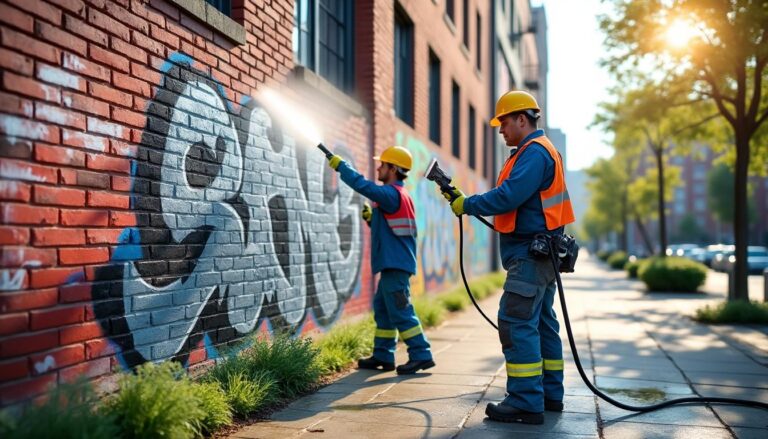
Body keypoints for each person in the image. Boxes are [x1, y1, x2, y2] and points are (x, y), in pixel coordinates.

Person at [441, 90, 575, 424]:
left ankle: (526, 401)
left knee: (516, 322)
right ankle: (549, 395)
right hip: (540, 255)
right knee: (542, 323)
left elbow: (509, 195)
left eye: (503, 122)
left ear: (521, 119)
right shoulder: (537, 152)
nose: (500, 129)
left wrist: (468, 204)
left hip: (530, 256)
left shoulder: (533, 153)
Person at [326, 146, 435, 375]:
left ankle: (421, 353)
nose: (379, 167)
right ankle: (384, 355)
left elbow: (364, 186)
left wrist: (341, 166)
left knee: (401, 311)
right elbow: (391, 232)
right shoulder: (398, 196)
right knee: (384, 310)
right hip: (393, 264)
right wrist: (371, 219)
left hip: (395, 266)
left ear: (393, 169)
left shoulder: (391, 193)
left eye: (383, 164)